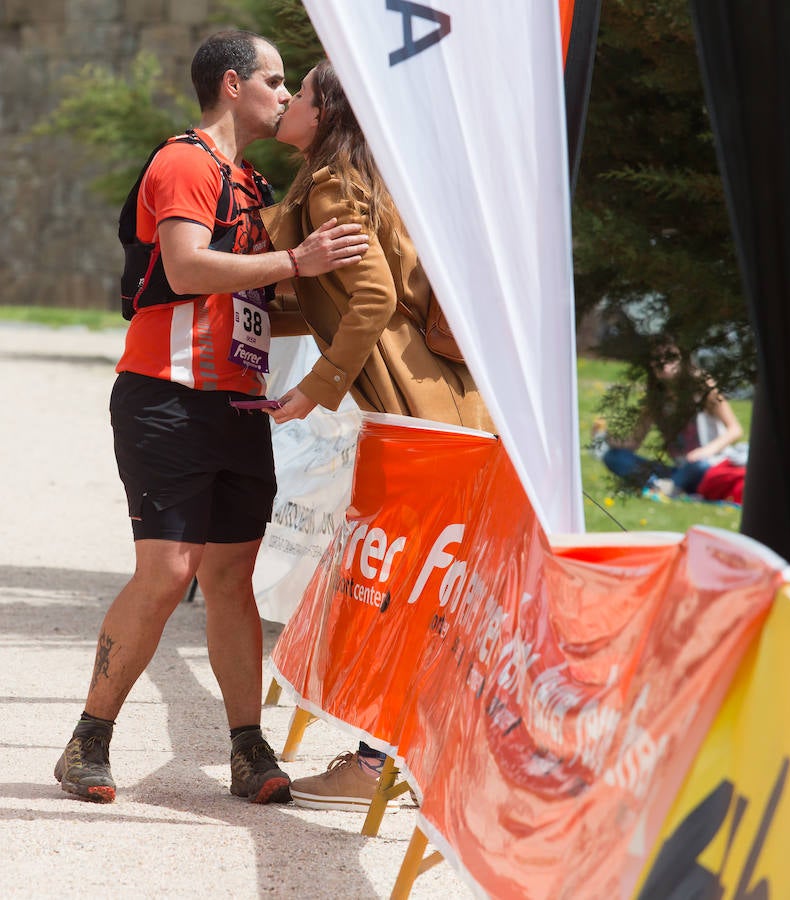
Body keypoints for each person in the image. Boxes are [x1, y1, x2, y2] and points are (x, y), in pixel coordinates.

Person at [53, 30, 368, 805]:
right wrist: (299, 262)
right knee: (166, 572)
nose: (287, 94)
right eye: (274, 79)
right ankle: (87, 741)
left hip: (236, 405)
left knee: (231, 578)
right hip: (164, 396)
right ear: (232, 85)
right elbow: (191, 267)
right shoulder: (184, 161)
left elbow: (251, 300)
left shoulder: (252, 184)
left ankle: (245, 748)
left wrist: (341, 311)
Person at [259, 60, 495, 811]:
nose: (287, 105)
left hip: (417, 417)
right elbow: (342, 304)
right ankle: (411, 761)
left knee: (407, 593)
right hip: (442, 413)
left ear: (326, 112)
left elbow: (373, 297)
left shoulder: (332, 185)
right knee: (430, 593)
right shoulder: (351, 183)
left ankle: (371, 766)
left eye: (297, 95)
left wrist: (314, 388)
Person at [594, 341, 747, 504]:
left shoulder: (702, 386)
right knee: (615, 458)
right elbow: (633, 442)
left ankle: (662, 488)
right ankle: (667, 487)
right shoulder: (655, 399)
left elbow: (735, 430)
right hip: (678, 470)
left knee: (696, 466)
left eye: (670, 357)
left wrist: (705, 451)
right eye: (657, 359)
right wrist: (604, 438)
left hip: (710, 465)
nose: (664, 364)